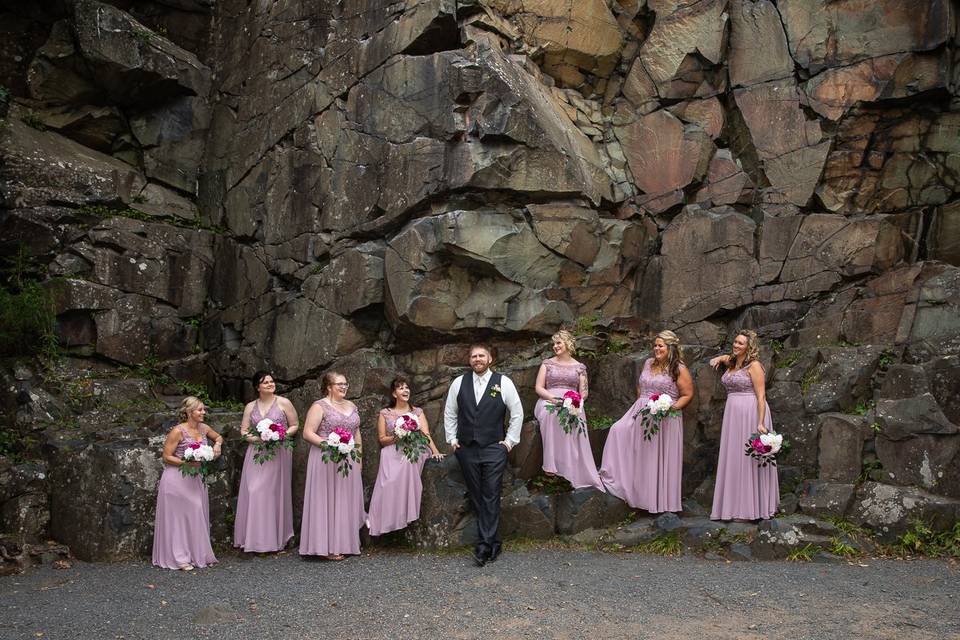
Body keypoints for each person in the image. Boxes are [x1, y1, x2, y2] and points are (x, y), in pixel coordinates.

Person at [443, 342, 523, 566]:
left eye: (481, 356)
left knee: (491, 492)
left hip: (494, 449)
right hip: (466, 449)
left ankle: (484, 545)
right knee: (477, 494)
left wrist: (508, 443)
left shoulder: (503, 382)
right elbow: (450, 412)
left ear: (490, 359)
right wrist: (452, 440)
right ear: (470, 360)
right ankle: (493, 541)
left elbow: (517, 413)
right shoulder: (459, 383)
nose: (477, 359)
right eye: (473, 356)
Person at [599, 330, 693, 512]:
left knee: (654, 457)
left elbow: (687, 394)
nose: (656, 349)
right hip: (641, 410)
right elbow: (640, 387)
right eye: (655, 345)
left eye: (660, 346)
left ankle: (657, 502)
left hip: (665, 417)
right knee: (618, 430)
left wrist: (668, 409)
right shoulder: (649, 363)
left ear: (670, 348)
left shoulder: (679, 368)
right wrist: (640, 406)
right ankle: (630, 488)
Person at [709, 329, 779, 521]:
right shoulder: (733, 361)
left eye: (741, 343)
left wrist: (760, 422)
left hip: (750, 412)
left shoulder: (754, 366)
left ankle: (752, 508)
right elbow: (727, 357)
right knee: (734, 457)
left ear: (749, 347)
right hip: (732, 415)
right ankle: (733, 506)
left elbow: (761, 395)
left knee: (749, 459)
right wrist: (719, 358)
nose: (736, 345)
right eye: (735, 342)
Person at [367, 376, 444, 536]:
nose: (405, 390)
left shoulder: (417, 412)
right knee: (388, 482)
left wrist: (435, 451)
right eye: (401, 388)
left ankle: (406, 512)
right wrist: (399, 435)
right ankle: (384, 520)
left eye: (407, 387)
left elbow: (425, 433)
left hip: (416, 447)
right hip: (392, 448)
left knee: (409, 460)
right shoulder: (385, 413)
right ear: (394, 393)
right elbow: (382, 439)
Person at [299, 371, 365, 559]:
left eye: (346, 384)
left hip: (348, 459)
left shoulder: (352, 405)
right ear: (329, 387)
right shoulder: (319, 406)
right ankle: (325, 546)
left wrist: (358, 458)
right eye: (339, 384)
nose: (344, 387)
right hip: (325, 458)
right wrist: (331, 445)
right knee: (326, 500)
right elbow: (308, 433)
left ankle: (344, 543)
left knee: (344, 500)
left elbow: (356, 434)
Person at [152, 396, 223, 570]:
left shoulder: (204, 428)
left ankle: (196, 553)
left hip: (195, 478)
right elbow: (166, 456)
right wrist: (187, 463)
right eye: (200, 410)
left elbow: (218, 437)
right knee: (178, 518)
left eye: (203, 409)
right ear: (189, 412)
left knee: (195, 512)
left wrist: (217, 446)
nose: (203, 412)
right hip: (177, 479)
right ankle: (179, 557)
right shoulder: (178, 431)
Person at [233, 371, 299, 553]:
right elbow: (244, 431)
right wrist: (258, 439)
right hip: (257, 452)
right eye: (265, 382)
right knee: (254, 490)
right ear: (257, 387)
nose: (270, 384)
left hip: (279, 450)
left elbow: (294, 425)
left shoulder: (284, 403)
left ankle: (273, 540)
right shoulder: (250, 406)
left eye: (272, 381)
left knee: (272, 493)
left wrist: (280, 435)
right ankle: (254, 539)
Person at [533, 330, 603, 490]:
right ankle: (550, 465)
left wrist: (577, 401)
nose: (555, 346)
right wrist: (551, 398)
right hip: (548, 399)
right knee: (551, 413)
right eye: (554, 343)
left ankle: (570, 468)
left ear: (568, 344)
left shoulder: (580, 367)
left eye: (558, 343)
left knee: (574, 416)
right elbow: (538, 387)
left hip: (572, 402)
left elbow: (584, 391)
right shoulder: (547, 364)